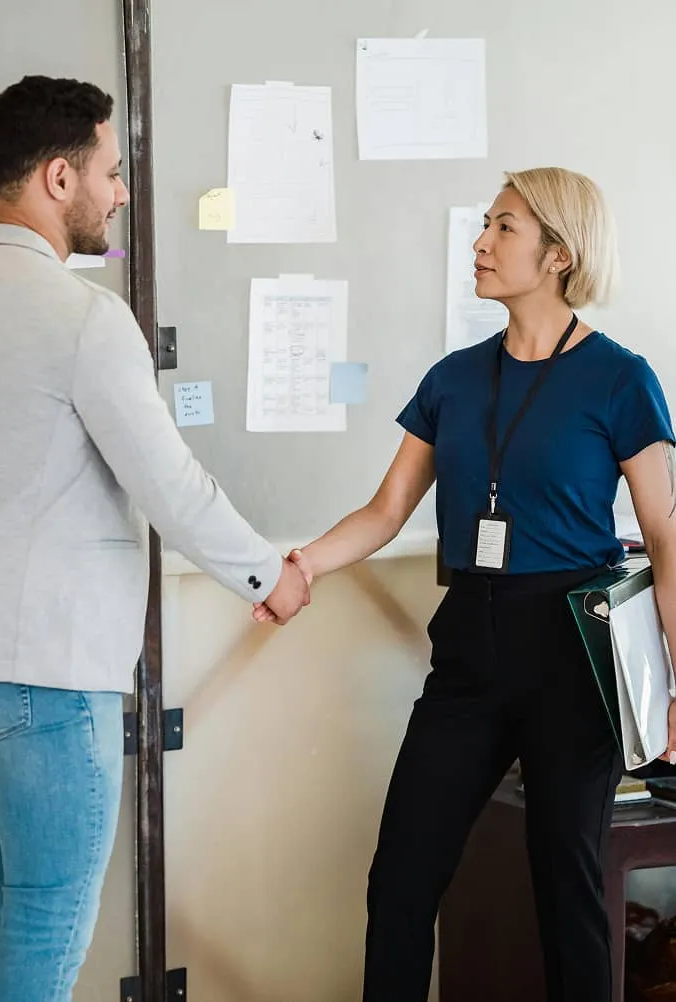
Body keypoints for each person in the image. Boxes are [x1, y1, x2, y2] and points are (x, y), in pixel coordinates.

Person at [0, 75, 309, 1002]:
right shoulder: (82, 317)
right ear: (57, 178)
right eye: (112, 173)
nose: (122, 191)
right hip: (45, 663)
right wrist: (264, 574)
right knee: (43, 916)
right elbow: (169, 482)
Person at [254, 167, 676, 1001]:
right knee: (401, 881)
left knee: (568, 891)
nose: (480, 244)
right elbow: (384, 511)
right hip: (471, 648)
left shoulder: (621, 379)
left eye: (504, 228)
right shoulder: (451, 377)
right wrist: (298, 566)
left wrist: (674, 687)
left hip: (572, 654)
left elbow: (665, 536)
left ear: (558, 253)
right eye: (484, 224)